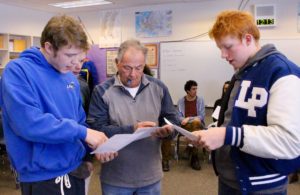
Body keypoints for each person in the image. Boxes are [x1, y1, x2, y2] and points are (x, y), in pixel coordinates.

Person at [0, 15, 115, 195]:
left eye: (80, 59)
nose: (75, 64)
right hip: (42, 177)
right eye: (69, 56)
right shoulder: (18, 71)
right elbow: (29, 123)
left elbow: (79, 122)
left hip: (74, 170)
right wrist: (83, 133)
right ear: (48, 47)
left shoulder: (69, 76)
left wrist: (93, 148)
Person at [190, 10, 300, 194]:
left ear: (248, 39)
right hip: (232, 180)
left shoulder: (283, 72)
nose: (223, 55)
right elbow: (234, 121)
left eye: (228, 47)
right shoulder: (243, 72)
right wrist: (211, 133)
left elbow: (290, 141)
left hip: (261, 186)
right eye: (220, 49)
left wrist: (226, 135)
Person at [87, 39, 179, 195]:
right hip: (116, 178)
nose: (133, 74)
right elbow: (96, 130)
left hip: (151, 177)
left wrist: (169, 131)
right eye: (127, 68)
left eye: (139, 68)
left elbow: (173, 120)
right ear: (117, 63)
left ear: (144, 65)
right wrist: (132, 129)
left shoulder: (159, 87)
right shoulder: (101, 91)